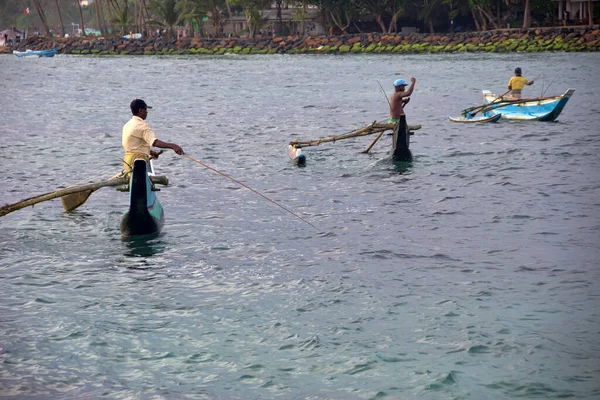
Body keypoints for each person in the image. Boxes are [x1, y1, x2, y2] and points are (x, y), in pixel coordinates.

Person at [122, 99, 184, 174]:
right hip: (138, 162)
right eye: (145, 109)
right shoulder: (142, 126)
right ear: (140, 110)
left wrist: (150, 152)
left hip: (127, 161)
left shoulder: (128, 125)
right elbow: (155, 142)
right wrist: (173, 146)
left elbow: (134, 146)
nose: (147, 112)